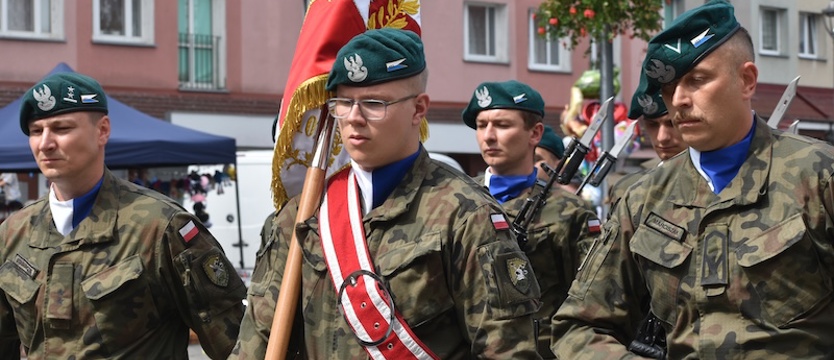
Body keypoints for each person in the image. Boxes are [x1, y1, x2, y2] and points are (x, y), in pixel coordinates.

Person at [232, 29, 542, 359]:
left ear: (418, 109)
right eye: (343, 103)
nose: (353, 118)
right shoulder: (302, 216)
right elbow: (257, 339)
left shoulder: (465, 213)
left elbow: (506, 350)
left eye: (373, 104)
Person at [552, 1, 834, 358]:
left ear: (746, 80)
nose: (679, 100)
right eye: (668, 88)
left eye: (697, 80)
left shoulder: (818, 176)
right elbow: (578, 325)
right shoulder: (645, 198)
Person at [0, 72, 245, 359]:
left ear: (102, 130)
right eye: (36, 131)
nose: (45, 143)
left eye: (61, 128)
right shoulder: (14, 232)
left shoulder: (160, 226)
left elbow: (238, 345)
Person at [462, 80, 600, 359]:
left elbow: (594, 303)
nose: (488, 136)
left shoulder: (570, 211)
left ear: (535, 133)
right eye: (481, 125)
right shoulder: (457, 200)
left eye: (501, 125)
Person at [607, 81, 687, 207]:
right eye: (652, 125)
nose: (662, 137)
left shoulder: (717, 181)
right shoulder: (628, 189)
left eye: (671, 123)